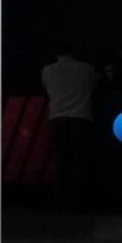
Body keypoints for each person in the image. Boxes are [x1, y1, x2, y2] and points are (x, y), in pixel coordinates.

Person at [41, 44, 97, 209]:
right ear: (74, 51)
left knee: (61, 159)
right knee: (80, 160)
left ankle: (61, 199)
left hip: (57, 118)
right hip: (81, 117)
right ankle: (79, 198)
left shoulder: (47, 71)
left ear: (54, 52)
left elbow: (46, 89)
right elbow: (95, 85)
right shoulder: (86, 69)